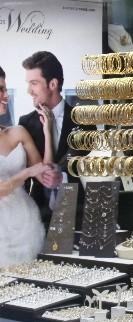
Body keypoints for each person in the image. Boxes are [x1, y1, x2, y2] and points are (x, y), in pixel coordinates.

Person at [18, 51, 85, 227]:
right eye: (28, 83)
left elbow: (87, 169)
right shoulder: (25, 123)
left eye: (34, 83)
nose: (29, 91)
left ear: (53, 84)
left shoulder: (83, 121)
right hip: (38, 217)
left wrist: (62, 176)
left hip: (77, 215)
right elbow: (24, 177)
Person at [0, 65, 53, 266]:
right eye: (1, 90)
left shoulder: (18, 132)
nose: (6, 95)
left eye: (5, 89)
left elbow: (44, 173)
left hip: (24, 220)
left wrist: (48, 131)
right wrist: (27, 172)